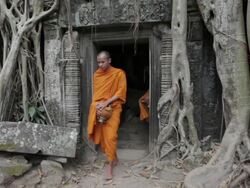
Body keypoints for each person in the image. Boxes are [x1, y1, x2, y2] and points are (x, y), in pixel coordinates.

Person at [87, 51, 127, 180]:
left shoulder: (118, 73)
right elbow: (97, 95)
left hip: (113, 108)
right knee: (104, 138)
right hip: (101, 110)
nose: (100, 65)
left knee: (111, 136)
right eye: (98, 62)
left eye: (103, 62)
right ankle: (113, 158)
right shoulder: (97, 75)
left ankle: (109, 166)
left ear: (109, 60)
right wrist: (97, 105)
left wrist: (106, 103)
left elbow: (120, 92)